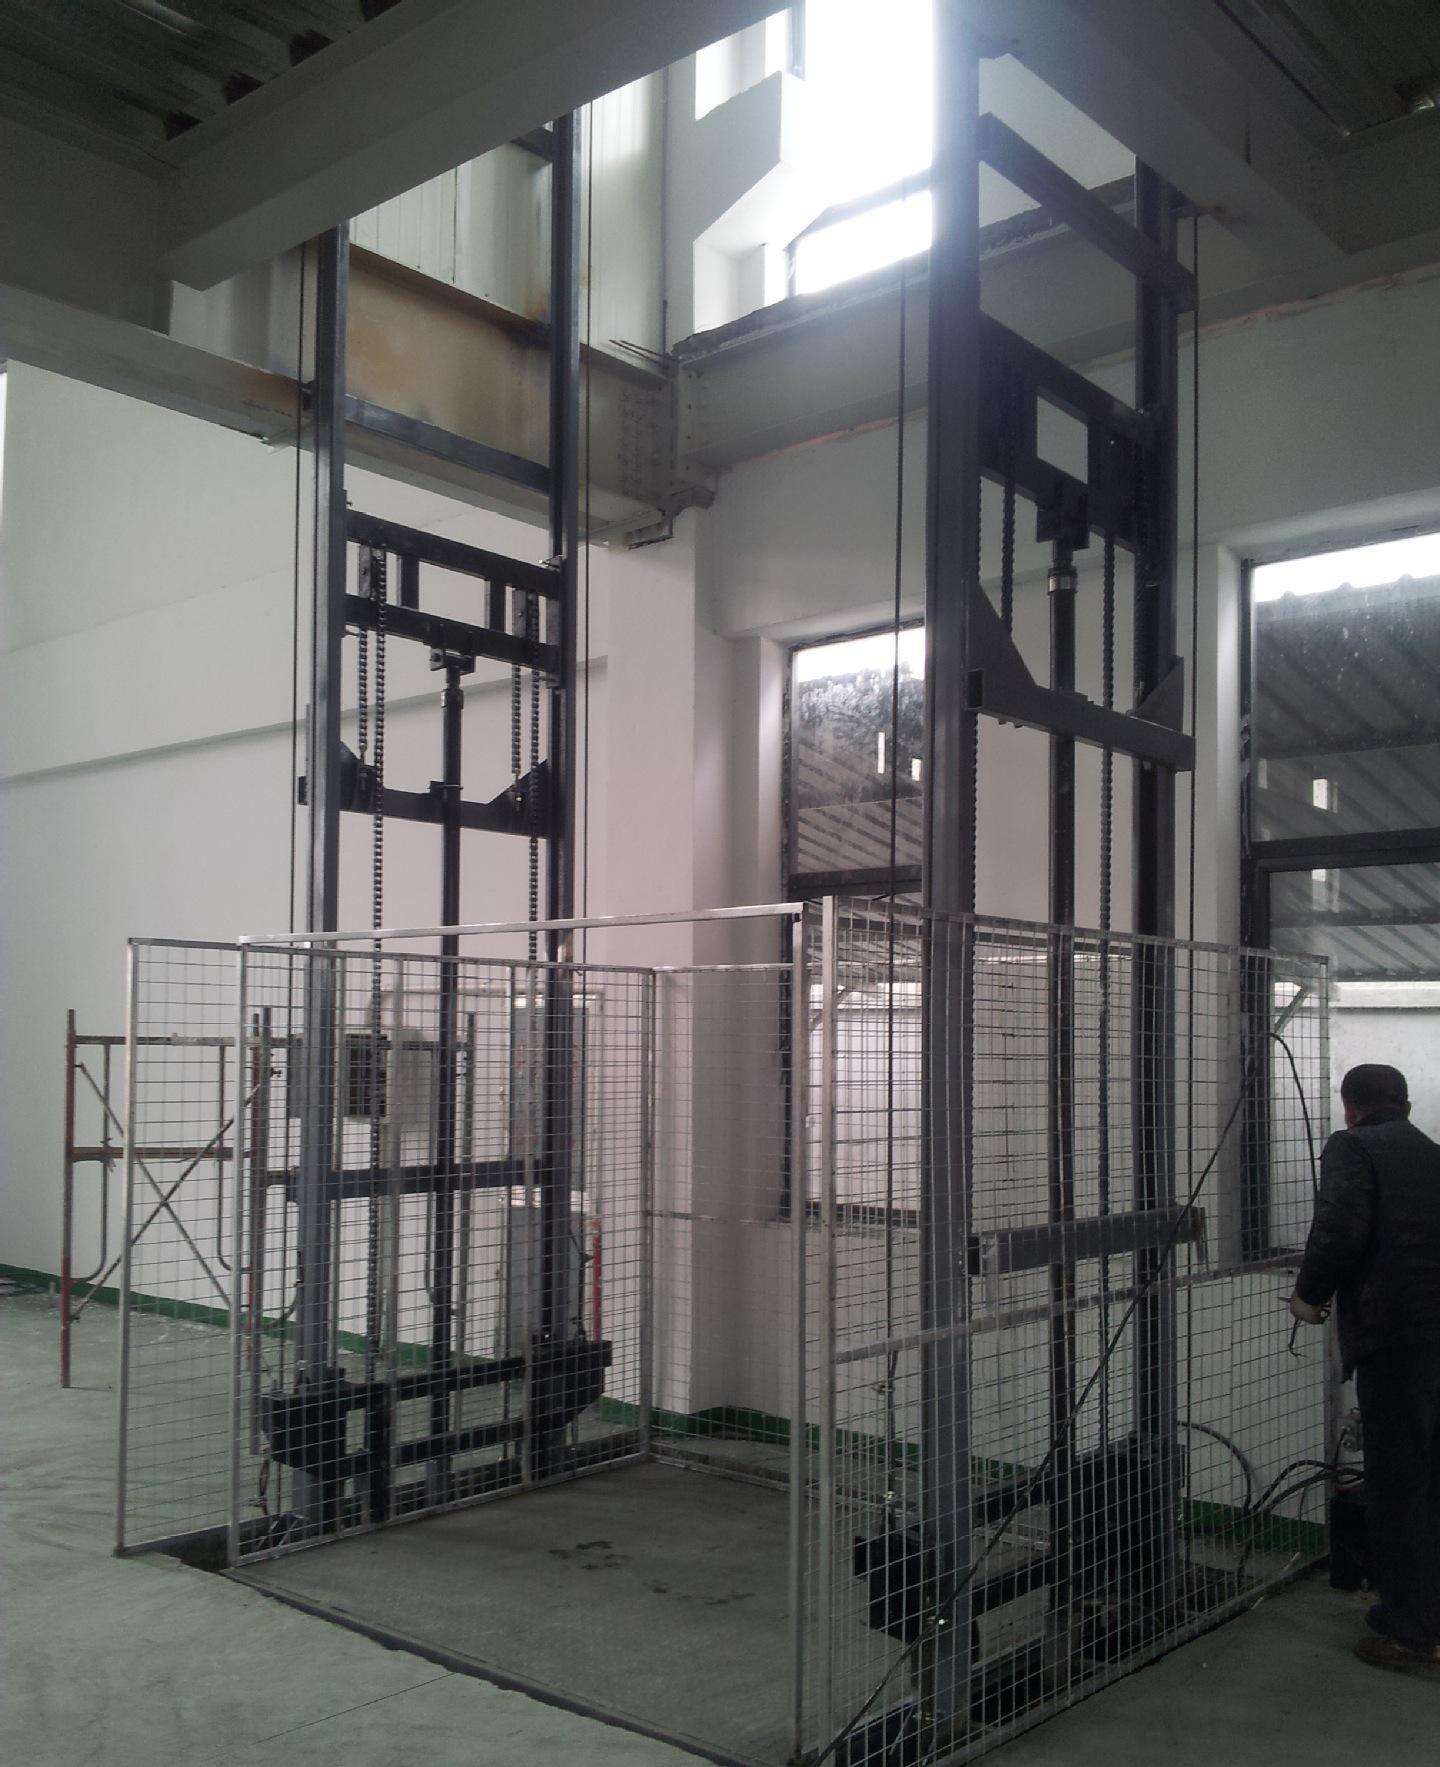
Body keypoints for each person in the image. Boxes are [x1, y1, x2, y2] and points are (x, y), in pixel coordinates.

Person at [1290, 1062, 1440, 1674]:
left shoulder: (1352, 1146)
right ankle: (1423, 1612)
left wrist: (1309, 1294)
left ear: (1350, 1107)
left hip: (1396, 1343)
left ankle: (1413, 1635)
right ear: (1405, 1105)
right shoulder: (1432, 1153)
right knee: (1432, 1483)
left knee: (1399, 1489)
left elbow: (1339, 1228)